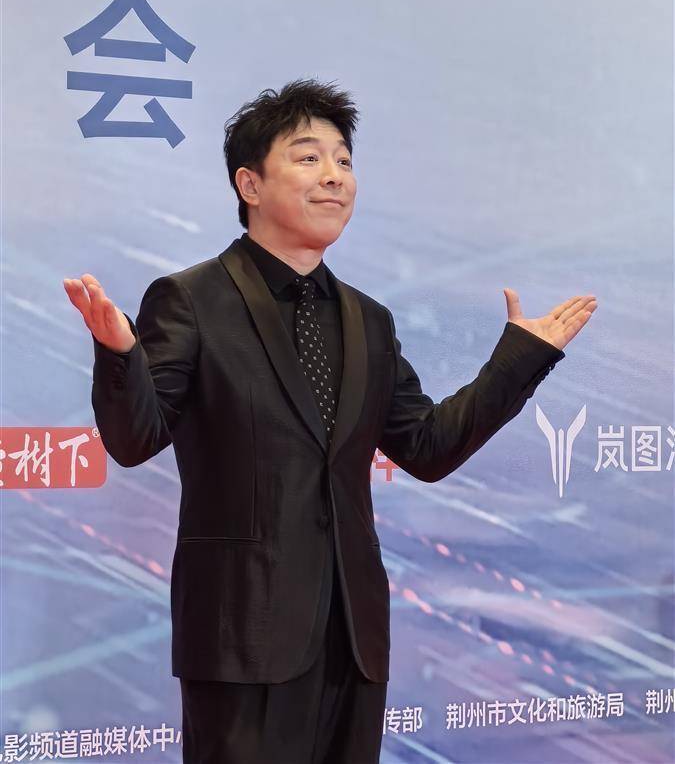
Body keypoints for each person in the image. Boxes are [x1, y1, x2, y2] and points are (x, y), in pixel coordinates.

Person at [63, 77, 597, 763]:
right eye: (309, 157)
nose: (334, 176)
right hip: (243, 635)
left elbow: (428, 446)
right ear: (250, 184)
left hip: (353, 635)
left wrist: (517, 361)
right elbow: (135, 438)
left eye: (343, 160)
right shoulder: (190, 299)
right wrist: (119, 355)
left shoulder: (368, 319)